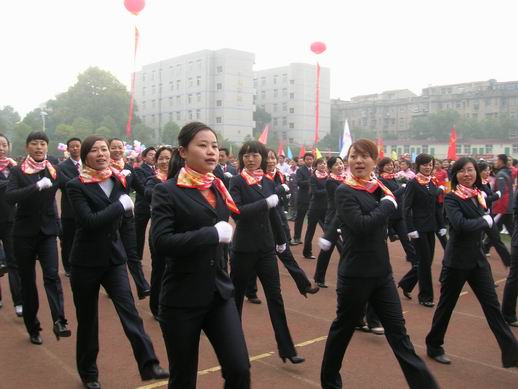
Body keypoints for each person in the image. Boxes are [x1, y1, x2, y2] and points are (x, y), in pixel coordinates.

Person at [320, 139, 438, 389]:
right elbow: (362, 225)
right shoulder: (345, 191)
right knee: (343, 330)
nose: (358, 161)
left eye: (364, 156)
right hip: (355, 275)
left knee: (399, 334)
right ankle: (330, 382)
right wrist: (387, 205)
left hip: (382, 274)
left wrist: (397, 206)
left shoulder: (379, 188)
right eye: (354, 156)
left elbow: (395, 216)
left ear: (374, 161)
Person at [151, 123, 250, 388]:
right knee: (183, 379)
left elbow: (224, 229)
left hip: (219, 293)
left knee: (240, 369)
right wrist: (212, 234)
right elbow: (160, 242)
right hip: (182, 298)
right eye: (203, 145)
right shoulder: (166, 191)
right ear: (183, 151)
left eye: (215, 146)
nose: (211, 151)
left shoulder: (218, 186)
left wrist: (227, 233)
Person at [67, 135, 168, 389]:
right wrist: (120, 206)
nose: (102, 154)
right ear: (85, 156)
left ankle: (149, 363)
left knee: (129, 312)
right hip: (85, 263)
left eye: (104, 150)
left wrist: (130, 254)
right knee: (88, 320)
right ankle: (89, 372)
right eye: (95, 151)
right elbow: (88, 222)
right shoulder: (76, 185)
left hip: (114, 260)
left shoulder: (119, 180)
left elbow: (126, 223)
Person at [426, 157, 518, 367]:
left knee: (492, 308)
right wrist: (482, 220)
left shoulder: (478, 196)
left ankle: (512, 352)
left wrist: (504, 253)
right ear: (455, 174)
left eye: (470, 170)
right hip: (457, 262)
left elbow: (489, 228)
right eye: (462, 171)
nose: (467, 174)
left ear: (476, 173)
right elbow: (459, 225)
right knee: (446, 306)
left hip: (478, 263)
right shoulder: (452, 198)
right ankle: (434, 345)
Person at [229, 140, 304, 364]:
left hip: (266, 248)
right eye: (246, 155)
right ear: (242, 158)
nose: (251, 159)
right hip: (243, 249)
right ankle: (233, 348)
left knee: (275, 298)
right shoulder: (236, 181)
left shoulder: (268, 182)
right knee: (236, 300)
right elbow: (237, 213)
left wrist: (281, 241)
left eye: (255, 155)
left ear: (262, 157)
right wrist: (265, 203)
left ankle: (287, 348)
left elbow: (273, 216)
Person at [5, 131, 69, 344]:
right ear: (27, 147)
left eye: (43, 143)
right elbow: (10, 196)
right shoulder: (17, 171)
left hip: (48, 232)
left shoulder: (53, 170)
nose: (39, 147)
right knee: (28, 282)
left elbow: (73, 185)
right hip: (23, 234)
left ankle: (60, 320)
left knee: (52, 276)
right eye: (35, 143)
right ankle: (33, 326)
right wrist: (35, 187)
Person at [265, 149, 319, 297]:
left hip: (278, 219)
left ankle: (304, 285)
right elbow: (265, 195)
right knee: (254, 261)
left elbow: (280, 198)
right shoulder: (257, 177)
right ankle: (250, 290)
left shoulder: (278, 174)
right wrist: (280, 190)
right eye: (267, 158)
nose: (270, 161)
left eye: (273, 157)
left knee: (286, 253)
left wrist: (284, 195)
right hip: (262, 223)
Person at [399, 154, 445, 307]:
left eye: (430, 164)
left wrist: (442, 225)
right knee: (425, 262)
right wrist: (410, 229)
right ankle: (425, 296)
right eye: (424, 164)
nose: (428, 167)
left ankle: (406, 283)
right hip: (418, 229)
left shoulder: (432, 182)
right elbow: (406, 208)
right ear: (418, 166)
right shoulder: (413, 183)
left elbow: (437, 206)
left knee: (427, 260)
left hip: (431, 227)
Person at [108, 138, 150, 299]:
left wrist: (158, 198)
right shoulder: (102, 169)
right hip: (109, 216)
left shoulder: (128, 168)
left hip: (126, 216)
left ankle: (142, 286)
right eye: (114, 147)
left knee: (131, 252)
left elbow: (140, 189)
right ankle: (114, 285)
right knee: (113, 253)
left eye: (120, 147)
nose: (117, 150)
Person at [377, 158, 418, 285]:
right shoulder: (380, 180)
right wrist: (402, 188)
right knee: (381, 246)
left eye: (392, 165)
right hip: (386, 218)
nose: (390, 167)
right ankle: (383, 274)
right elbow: (388, 196)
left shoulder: (394, 178)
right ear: (381, 167)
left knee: (408, 244)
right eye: (387, 165)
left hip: (399, 217)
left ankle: (415, 268)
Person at [144, 146, 173, 318]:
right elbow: (148, 194)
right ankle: (156, 307)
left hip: (178, 231)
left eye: (167, 158)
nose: (164, 161)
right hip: (160, 232)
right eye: (160, 158)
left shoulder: (182, 179)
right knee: (159, 270)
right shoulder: (153, 180)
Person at [0, 133, 23, 317]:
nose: (1, 148)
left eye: (3, 144)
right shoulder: (17, 172)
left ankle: (19, 301)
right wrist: (13, 183)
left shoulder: (15, 167)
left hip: (11, 221)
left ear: (9, 146)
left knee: (14, 262)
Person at [314, 156, 345, 288]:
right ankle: (323, 278)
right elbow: (340, 199)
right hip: (333, 220)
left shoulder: (345, 179)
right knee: (340, 250)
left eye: (341, 163)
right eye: (337, 164)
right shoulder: (330, 182)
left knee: (332, 250)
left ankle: (319, 277)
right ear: (330, 168)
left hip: (343, 219)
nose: (340, 166)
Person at [58, 137, 82, 277]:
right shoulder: (62, 167)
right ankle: (68, 266)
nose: (75, 148)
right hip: (69, 210)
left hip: (86, 209)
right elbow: (64, 185)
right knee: (68, 240)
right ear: (68, 149)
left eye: (77, 146)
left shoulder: (87, 163)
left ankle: (81, 263)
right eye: (72, 146)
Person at [478, 161, 510, 267]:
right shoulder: (476, 184)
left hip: (488, 216)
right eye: (486, 170)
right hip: (479, 217)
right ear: (479, 171)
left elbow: (489, 198)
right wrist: (497, 196)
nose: (488, 172)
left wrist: (494, 195)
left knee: (496, 239)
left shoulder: (485, 182)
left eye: (489, 170)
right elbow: (483, 200)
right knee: (476, 243)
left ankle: (509, 262)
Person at [484, 154, 514, 250]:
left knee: (494, 228)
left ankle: (485, 247)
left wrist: (500, 208)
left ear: (501, 161)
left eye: (496, 160)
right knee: (505, 229)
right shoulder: (506, 173)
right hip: (506, 207)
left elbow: (502, 193)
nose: (495, 162)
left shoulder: (501, 175)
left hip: (502, 208)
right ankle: (486, 247)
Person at [134, 146, 156, 265]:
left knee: (155, 231)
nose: (153, 156)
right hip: (143, 206)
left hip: (156, 206)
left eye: (154, 154)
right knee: (139, 232)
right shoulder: (139, 170)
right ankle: (137, 257)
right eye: (150, 154)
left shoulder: (158, 170)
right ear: (144, 157)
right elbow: (143, 187)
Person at [303, 158, 328, 259]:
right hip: (315, 208)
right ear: (316, 166)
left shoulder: (329, 177)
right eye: (320, 163)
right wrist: (328, 189)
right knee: (310, 230)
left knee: (329, 230)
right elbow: (315, 192)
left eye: (324, 163)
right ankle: (307, 252)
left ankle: (330, 250)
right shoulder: (313, 177)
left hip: (326, 208)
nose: (322, 165)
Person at [292, 152, 314, 245]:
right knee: (299, 218)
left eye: (311, 159)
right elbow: (299, 183)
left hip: (314, 198)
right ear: (304, 160)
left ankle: (309, 240)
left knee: (313, 220)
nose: (309, 161)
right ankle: (297, 237)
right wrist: (311, 180)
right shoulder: (300, 170)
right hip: (303, 198)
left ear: (313, 160)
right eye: (307, 159)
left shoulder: (316, 170)